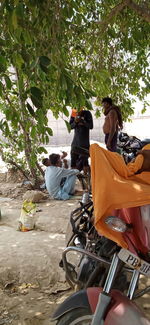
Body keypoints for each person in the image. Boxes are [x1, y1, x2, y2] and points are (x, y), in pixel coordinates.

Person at [69, 108, 93, 172]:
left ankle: (87, 180)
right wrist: (76, 122)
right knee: (73, 162)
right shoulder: (74, 112)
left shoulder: (87, 113)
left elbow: (91, 126)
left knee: (85, 162)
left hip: (84, 143)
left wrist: (83, 122)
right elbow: (70, 126)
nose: (77, 111)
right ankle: (74, 179)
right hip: (75, 143)